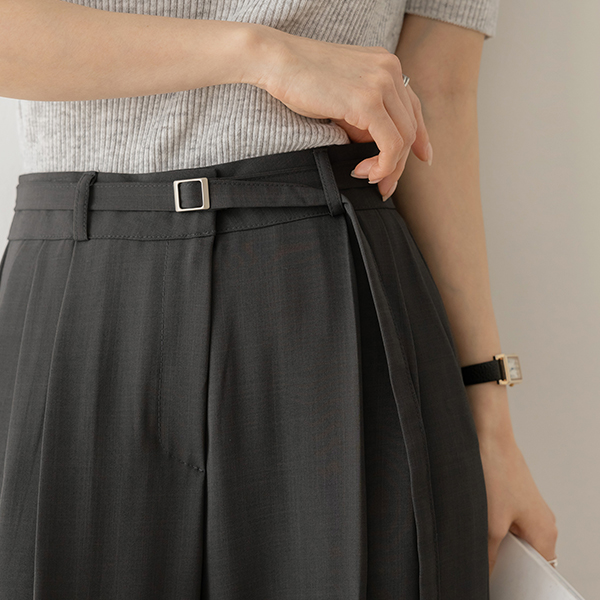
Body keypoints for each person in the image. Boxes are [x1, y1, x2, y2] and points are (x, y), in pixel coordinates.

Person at [0, 0, 558, 597]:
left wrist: (490, 419)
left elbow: (436, 96)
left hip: (329, 288)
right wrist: (262, 54)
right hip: (78, 293)